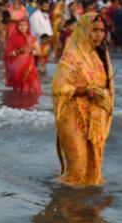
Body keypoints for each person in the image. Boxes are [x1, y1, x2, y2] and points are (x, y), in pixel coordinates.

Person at [52, 14, 114, 186]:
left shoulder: (102, 56)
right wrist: (85, 90)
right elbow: (58, 88)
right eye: (94, 30)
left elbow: (109, 87)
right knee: (78, 168)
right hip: (72, 115)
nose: (99, 35)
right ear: (84, 30)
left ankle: (86, 208)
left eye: (102, 31)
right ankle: (65, 205)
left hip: (94, 117)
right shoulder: (72, 56)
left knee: (91, 171)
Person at [4, 20, 41, 93]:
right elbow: (8, 54)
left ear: (28, 27)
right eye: (20, 25)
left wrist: (31, 52)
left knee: (32, 85)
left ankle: (30, 102)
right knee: (19, 89)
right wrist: (18, 52)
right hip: (17, 66)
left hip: (29, 65)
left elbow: (39, 52)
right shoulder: (13, 39)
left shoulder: (31, 38)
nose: (22, 27)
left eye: (25, 25)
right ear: (17, 27)